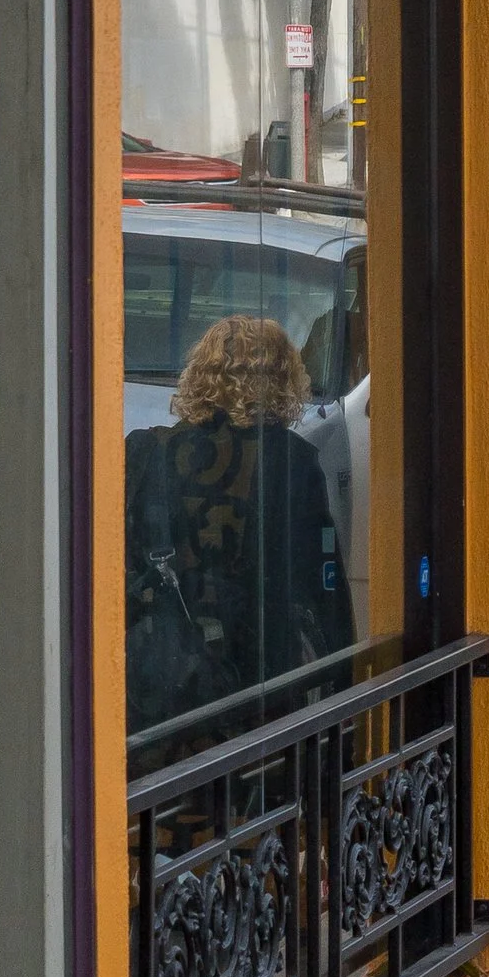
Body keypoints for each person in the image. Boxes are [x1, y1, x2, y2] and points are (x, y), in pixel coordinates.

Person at [125, 312, 354, 736]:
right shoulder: (293, 461)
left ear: (198, 375)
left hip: (165, 680)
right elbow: (325, 586)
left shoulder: (148, 452)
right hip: (261, 674)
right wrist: (346, 690)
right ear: (283, 379)